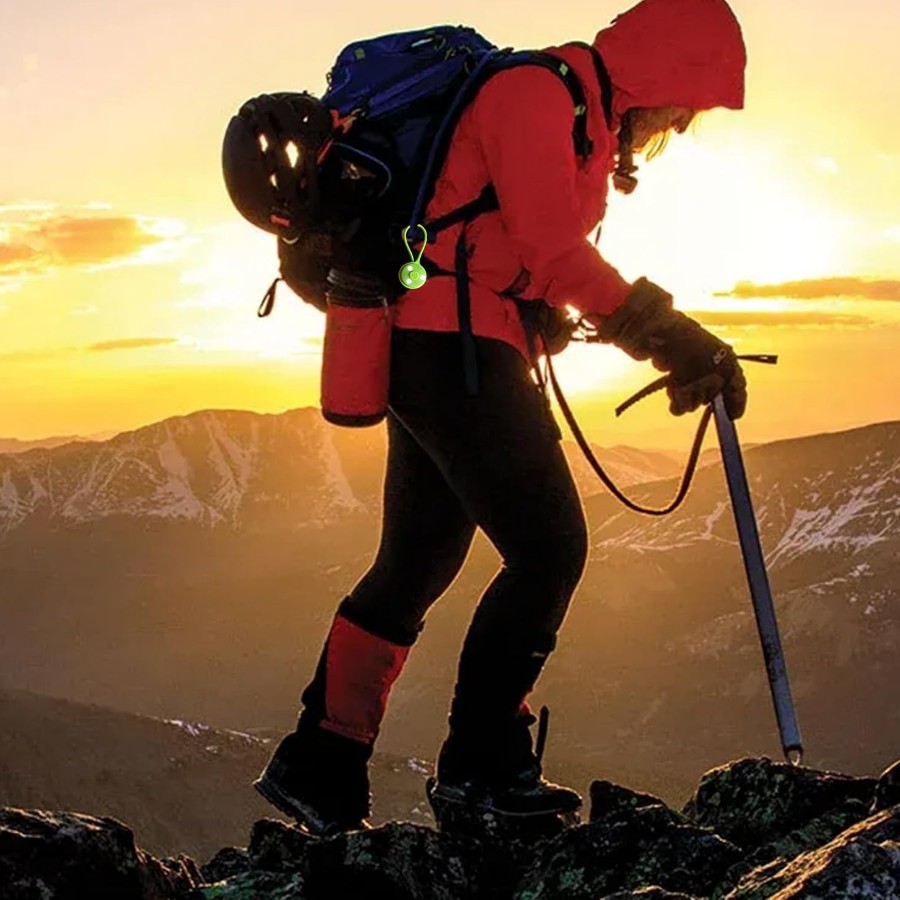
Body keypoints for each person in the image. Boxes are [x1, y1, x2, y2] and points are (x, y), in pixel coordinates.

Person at [250, 0, 749, 834]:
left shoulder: (576, 115)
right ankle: (482, 770)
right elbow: (552, 250)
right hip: (452, 352)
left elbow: (507, 245)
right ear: (659, 78)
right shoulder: (535, 93)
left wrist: (563, 316)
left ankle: (320, 765)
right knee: (549, 550)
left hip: (438, 345)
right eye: (682, 110)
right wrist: (669, 336)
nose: (676, 127)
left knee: (417, 559)